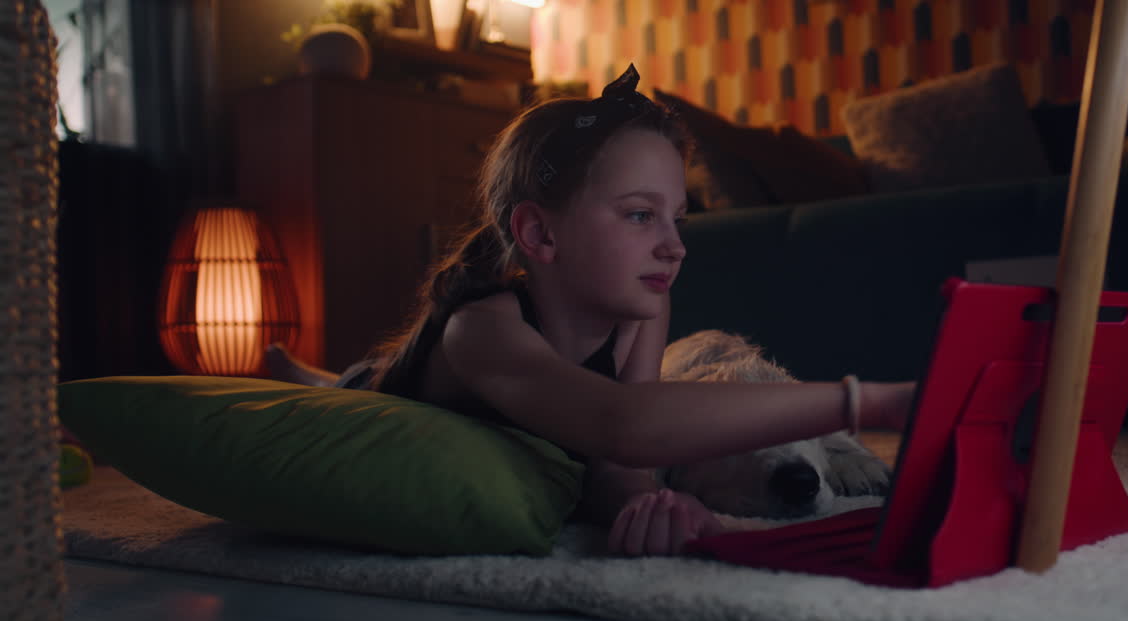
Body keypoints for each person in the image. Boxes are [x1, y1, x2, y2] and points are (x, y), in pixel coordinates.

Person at [267, 65, 915, 558]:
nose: (675, 244)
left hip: (555, 412)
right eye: (640, 215)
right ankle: (320, 382)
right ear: (541, 236)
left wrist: (656, 510)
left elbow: (621, 465)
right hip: (393, 394)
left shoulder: (642, 312)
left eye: (677, 218)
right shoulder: (484, 327)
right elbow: (621, 422)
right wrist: (865, 401)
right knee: (357, 387)